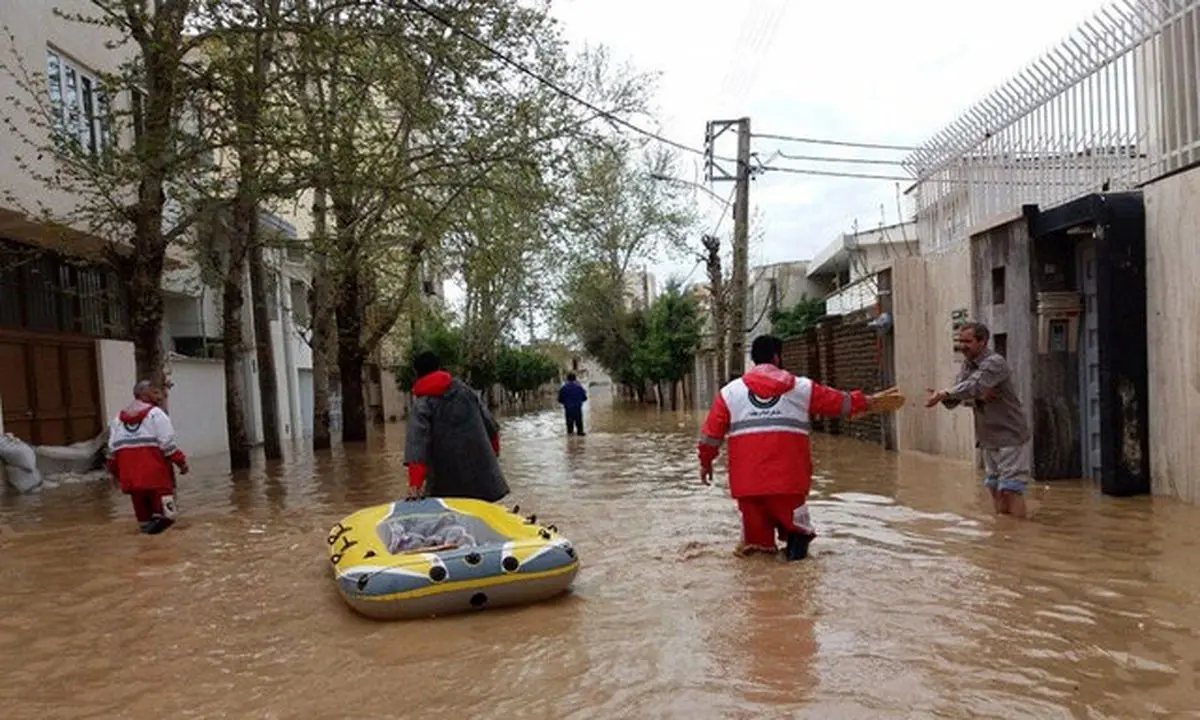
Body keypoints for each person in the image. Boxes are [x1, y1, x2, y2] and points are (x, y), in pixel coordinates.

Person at [697, 334, 873, 561]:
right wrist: (869, 401)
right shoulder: (801, 388)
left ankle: (764, 592)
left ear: (753, 359)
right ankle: (793, 585)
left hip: (748, 487)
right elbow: (841, 402)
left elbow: (710, 436)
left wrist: (705, 463)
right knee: (799, 536)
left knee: (757, 551)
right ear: (777, 357)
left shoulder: (730, 393)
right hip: (788, 483)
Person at [925, 321, 1032, 519]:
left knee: (1011, 488)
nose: (962, 346)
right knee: (993, 486)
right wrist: (947, 396)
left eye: (968, 341)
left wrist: (947, 393)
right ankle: (1004, 530)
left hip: (1010, 434)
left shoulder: (994, 363)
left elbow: (973, 387)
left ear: (982, 342)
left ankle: (1019, 534)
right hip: (988, 436)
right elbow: (961, 396)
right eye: (960, 341)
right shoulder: (967, 366)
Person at [404, 351, 509, 502]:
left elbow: (416, 448)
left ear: (417, 373)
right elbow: (491, 426)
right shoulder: (467, 392)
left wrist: (414, 486)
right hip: (484, 480)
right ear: (440, 367)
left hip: (447, 486)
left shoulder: (422, 405)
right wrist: (494, 455)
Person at [106, 379, 189, 535]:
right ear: (143, 394)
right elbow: (168, 445)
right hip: (157, 479)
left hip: (132, 481)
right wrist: (182, 463)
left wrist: (116, 475)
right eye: (155, 393)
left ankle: (145, 552)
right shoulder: (157, 415)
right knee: (168, 518)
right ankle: (163, 554)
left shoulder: (118, 419)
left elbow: (112, 452)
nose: (160, 397)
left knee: (144, 523)